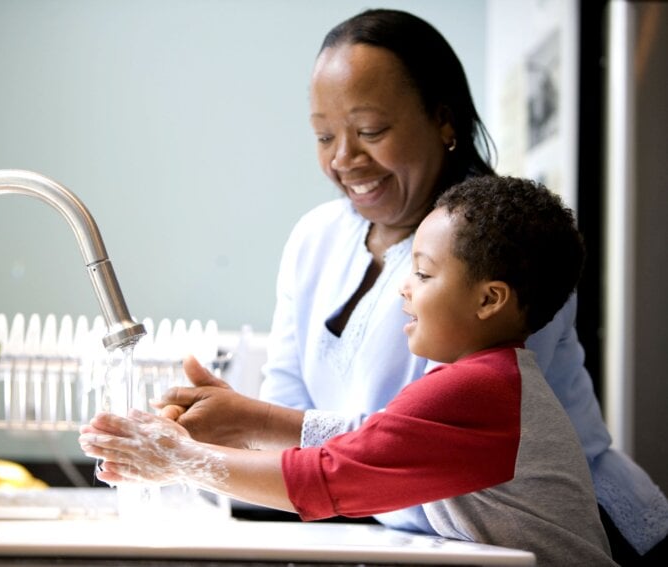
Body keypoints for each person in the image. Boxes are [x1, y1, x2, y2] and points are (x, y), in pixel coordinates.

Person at [152, 9, 668, 564]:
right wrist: (238, 421)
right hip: (419, 532)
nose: (343, 159)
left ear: (444, 120)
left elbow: (409, 447)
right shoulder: (314, 239)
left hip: (566, 531)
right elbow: (304, 423)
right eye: (324, 136)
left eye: (370, 131)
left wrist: (203, 448)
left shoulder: (501, 250)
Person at [80, 176, 615, 566]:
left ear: (489, 300)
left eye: (424, 273)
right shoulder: (490, 379)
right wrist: (251, 420)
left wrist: (178, 459)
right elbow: (374, 439)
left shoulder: (479, 388)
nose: (404, 286)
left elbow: (328, 478)